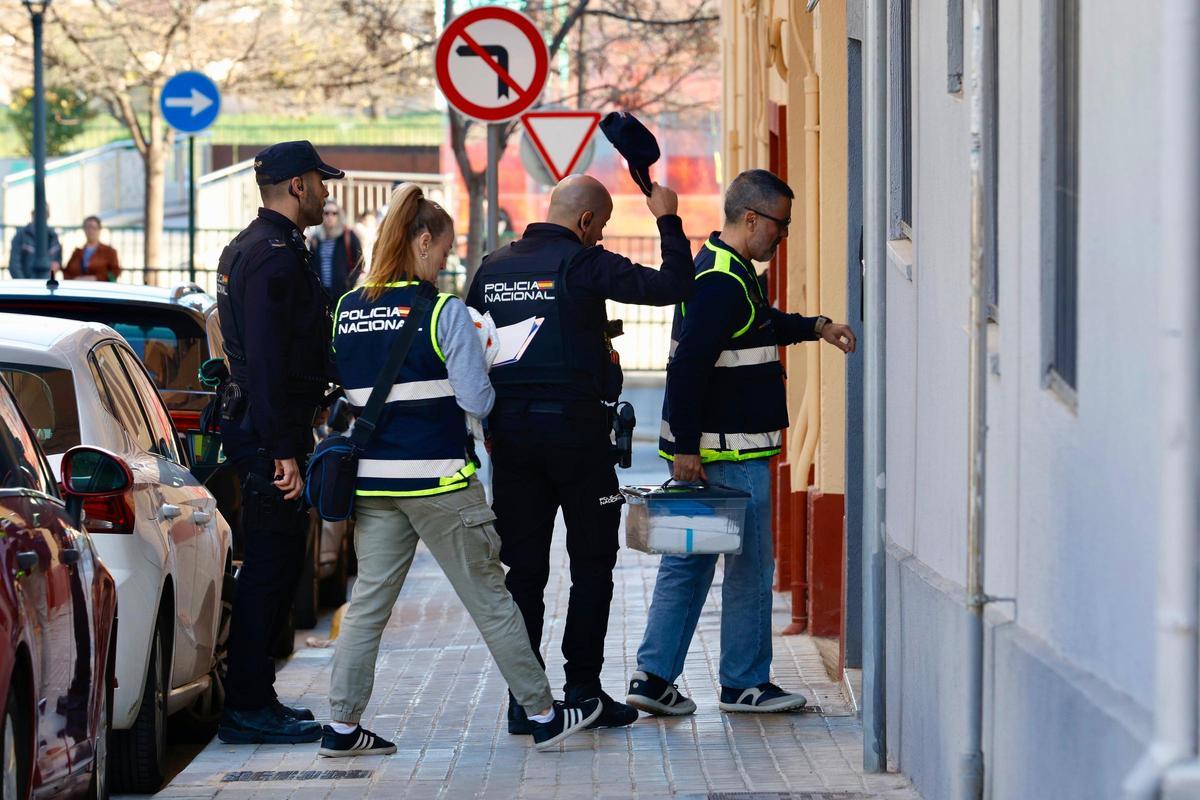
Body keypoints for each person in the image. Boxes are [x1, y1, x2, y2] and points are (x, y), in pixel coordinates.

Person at [322, 183, 602, 756]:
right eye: (444, 249)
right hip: (441, 484)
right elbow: (477, 402)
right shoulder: (442, 312)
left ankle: (342, 726)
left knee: (368, 606)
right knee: (493, 603)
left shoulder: (346, 310)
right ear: (422, 241)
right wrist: (481, 356)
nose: (447, 261)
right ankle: (545, 715)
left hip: (374, 485)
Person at [466, 174, 694, 734]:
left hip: (512, 443)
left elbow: (469, 354)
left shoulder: (492, 269)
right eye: (603, 227)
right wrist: (666, 217)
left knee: (524, 572)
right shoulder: (584, 264)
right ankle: (584, 691)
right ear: (587, 221)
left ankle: (529, 702)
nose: (600, 237)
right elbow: (674, 284)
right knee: (593, 564)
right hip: (581, 443)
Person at [626, 169, 857, 717]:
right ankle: (745, 683)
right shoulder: (722, 282)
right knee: (750, 568)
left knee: (690, 563)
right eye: (780, 225)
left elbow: (757, 327)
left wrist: (815, 325)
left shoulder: (724, 270)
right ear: (751, 218)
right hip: (726, 456)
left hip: (710, 453)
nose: (784, 236)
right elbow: (688, 367)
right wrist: (686, 450)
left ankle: (653, 678)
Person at [214, 141, 344, 745]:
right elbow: (264, 361)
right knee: (269, 568)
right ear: (297, 186)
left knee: (278, 563)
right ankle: (247, 706)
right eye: (321, 181)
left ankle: (257, 696)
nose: (327, 192)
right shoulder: (272, 256)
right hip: (270, 431)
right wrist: (281, 451)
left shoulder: (261, 246)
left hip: (273, 425)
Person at [307, 199, 364, 297]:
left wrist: (349, 283)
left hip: (342, 292)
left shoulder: (348, 236)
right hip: (322, 293)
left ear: (339, 215)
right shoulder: (317, 238)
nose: (330, 217)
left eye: (334, 213)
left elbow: (360, 263)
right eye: (326, 213)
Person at [8, 207, 62, 280]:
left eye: (45, 215)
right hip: (26, 283)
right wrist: (24, 284)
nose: (41, 218)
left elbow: (57, 262)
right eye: (39, 214)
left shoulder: (53, 236)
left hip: (46, 284)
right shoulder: (21, 236)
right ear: (33, 215)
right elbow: (14, 265)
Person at [63, 215, 120, 282]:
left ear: (99, 229)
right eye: (87, 227)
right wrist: (75, 279)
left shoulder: (109, 251)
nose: (90, 231)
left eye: (93, 227)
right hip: (79, 289)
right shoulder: (77, 252)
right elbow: (67, 272)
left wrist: (96, 278)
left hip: (101, 289)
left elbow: (115, 272)